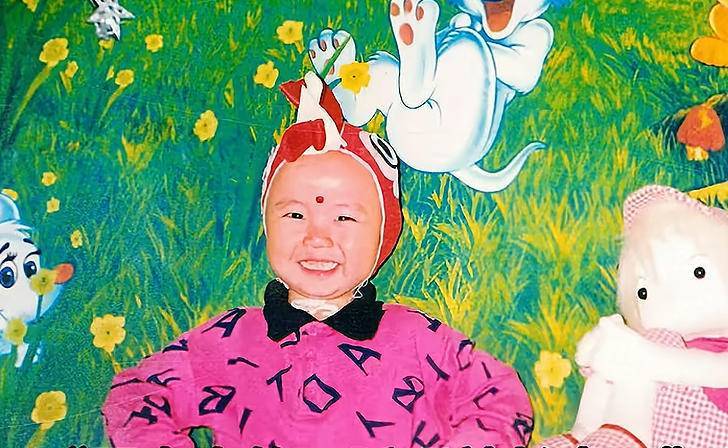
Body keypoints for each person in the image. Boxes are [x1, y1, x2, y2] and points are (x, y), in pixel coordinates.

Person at [101, 72, 533, 447]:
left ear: (382, 237)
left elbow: (498, 401)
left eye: (344, 217)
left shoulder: (418, 339)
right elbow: (135, 395)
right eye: (295, 214)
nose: (317, 236)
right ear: (267, 226)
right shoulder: (228, 339)